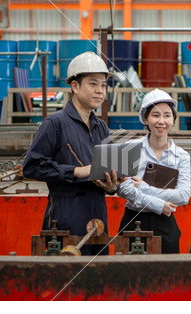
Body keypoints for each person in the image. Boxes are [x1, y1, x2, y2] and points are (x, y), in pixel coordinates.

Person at [23, 52, 122, 255]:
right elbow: (32, 166)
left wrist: (112, 186)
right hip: (65, 215)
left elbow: (107, 169)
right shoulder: (55, 123)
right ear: (75, 87)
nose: (100, 91)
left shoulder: (101, 126)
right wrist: (76, 171)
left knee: (96, 276)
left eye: (103, 85)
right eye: (93, 84)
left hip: (97, 215)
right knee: (64, 274)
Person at [112, 89, 191, 254]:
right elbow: (123, 188)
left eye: (167, 115)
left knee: (166, 276)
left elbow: (183, 196)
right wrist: (160, 205)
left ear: (173, 120)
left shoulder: (181, 156)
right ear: (145, 119)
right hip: (133, 221)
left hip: (166, 225)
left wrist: (142, 187)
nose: (161, 121)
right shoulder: (131, 149)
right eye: (155, 115)